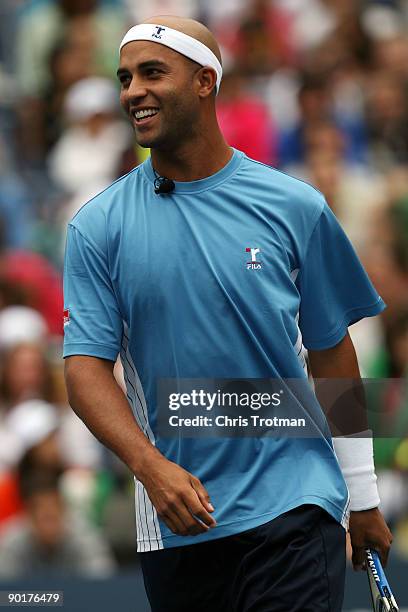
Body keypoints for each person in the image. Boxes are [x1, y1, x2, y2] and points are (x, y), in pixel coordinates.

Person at [63, 15, 393, 612]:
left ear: (204, 81)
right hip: (177, 522)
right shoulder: (96, 226)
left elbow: (332, 352)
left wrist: (363, 495)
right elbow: (84, 370)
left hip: (296, 505)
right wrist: (150, 467)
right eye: (124, 77)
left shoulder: (297, 207)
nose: (132, 90)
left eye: (151, 72)